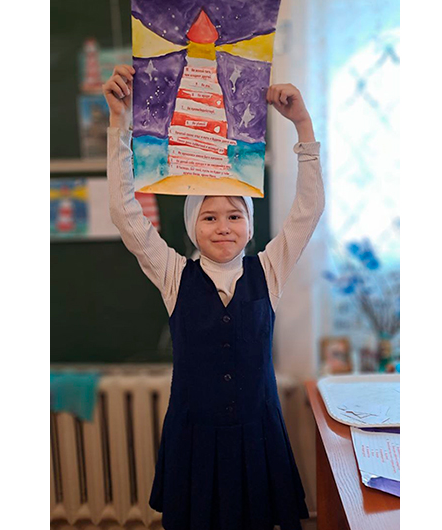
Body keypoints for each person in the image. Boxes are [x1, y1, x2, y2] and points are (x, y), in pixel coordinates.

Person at [104, 64, 324, 530]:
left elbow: (308, 211)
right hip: (195, 439)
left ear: (249, 224)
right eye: (209, 217)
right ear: (192, 226)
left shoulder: (269, 269)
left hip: (257, 435)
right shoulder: (173, 275)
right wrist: (119, 124)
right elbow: (125, 213)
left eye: (234, 215)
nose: (223, 226)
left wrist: (303, 126)